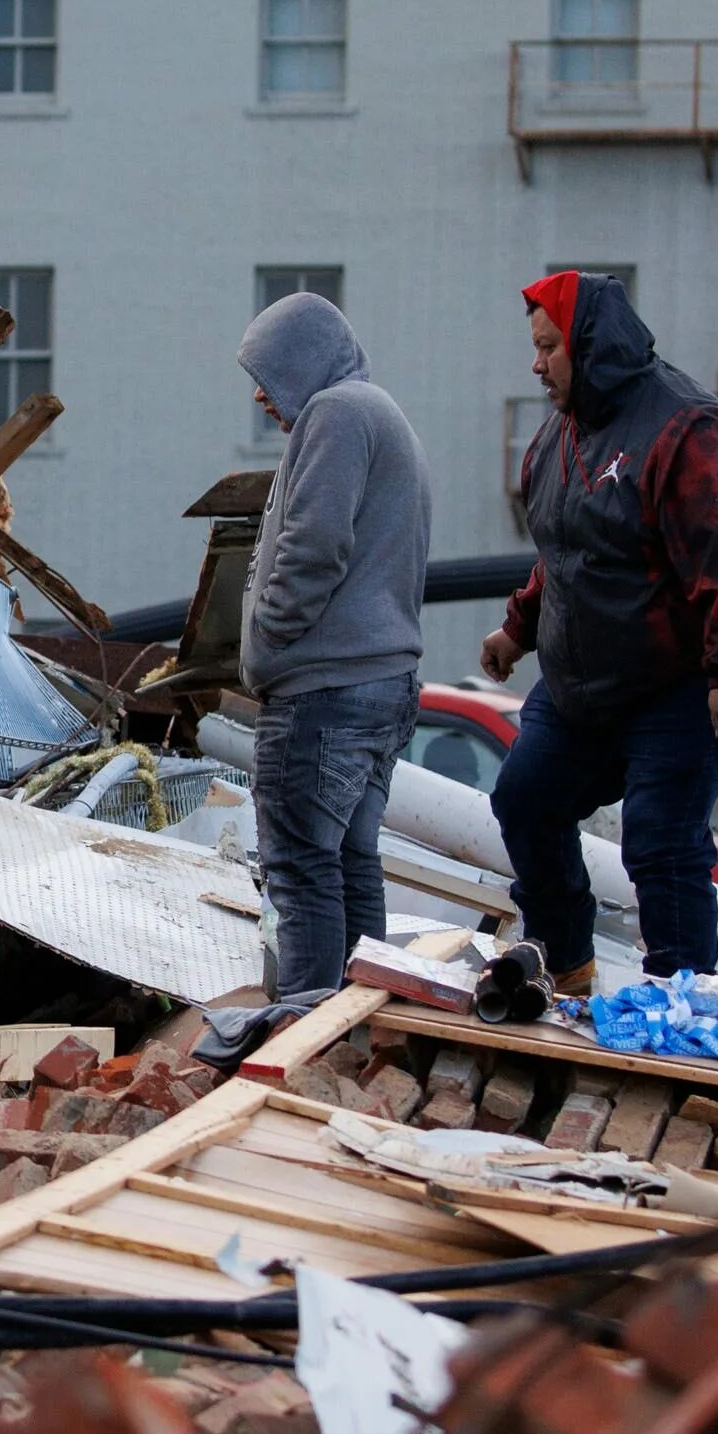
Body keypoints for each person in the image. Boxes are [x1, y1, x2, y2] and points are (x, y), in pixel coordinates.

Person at [483, 270, 718, 990]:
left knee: (661, 839)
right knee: (525, 799)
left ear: (589, 346)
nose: (536, 364)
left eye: (550, 347)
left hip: (684, 680)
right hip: (585, 681)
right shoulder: (559, 437)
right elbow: (567, 551)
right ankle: (563, 966)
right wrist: (517, 629)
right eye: (535, 347)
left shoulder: (688, 433)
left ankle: (683, 1004)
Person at [238, 291, 435, 1006]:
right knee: (349, 864)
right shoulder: (377, 413)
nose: (261, 394)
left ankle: (304, 1040)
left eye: (271, 372)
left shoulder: (338, 413)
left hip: (326, 693)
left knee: (301, 870)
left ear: (306, 364)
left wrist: (272, 635)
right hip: (376, 685)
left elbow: (314, 546)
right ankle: (354, 1032)